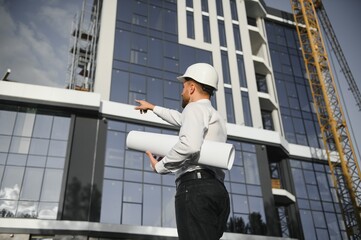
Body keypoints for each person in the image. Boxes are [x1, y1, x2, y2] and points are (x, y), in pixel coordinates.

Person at [135, 63, 230, 240]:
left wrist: (161, 166)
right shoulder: (215, 116)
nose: (182, 92)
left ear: (192, 88)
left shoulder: (193, 109)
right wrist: (153, 108)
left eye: (184, 86)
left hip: (195, 189)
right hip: (218, 191)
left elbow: (189, 146)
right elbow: (180, 119)